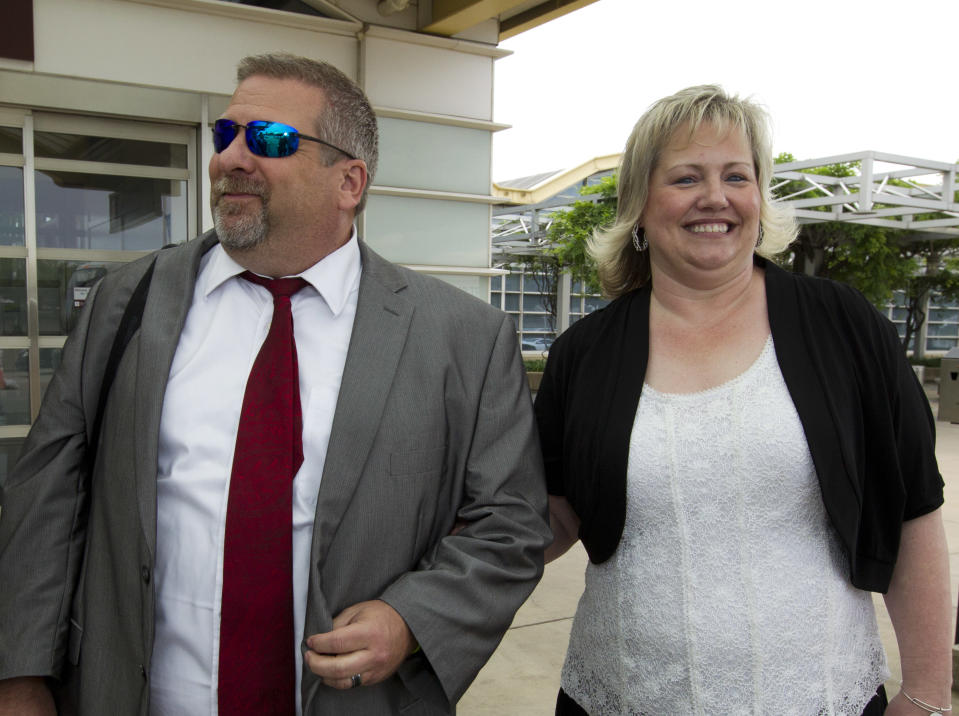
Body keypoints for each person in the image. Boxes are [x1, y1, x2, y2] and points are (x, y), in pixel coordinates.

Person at [0, 52, 550, 715]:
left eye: (269, 140)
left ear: (349, 181)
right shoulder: (129, 302)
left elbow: (510, 524)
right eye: (225, 135)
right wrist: (22, 675)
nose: (232, 157)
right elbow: (49, 492)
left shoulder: (461, 335)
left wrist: (410, 621)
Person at [536, 85, 952, 715]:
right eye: (685, 177)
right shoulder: (583, 354)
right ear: (641, 205)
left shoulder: (844, 326)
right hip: (621, 697)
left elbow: (913, 511)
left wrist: (924, 694)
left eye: (737, 175)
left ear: (759, 197)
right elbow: (553, 517)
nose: (715, 197)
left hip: (821, 699)